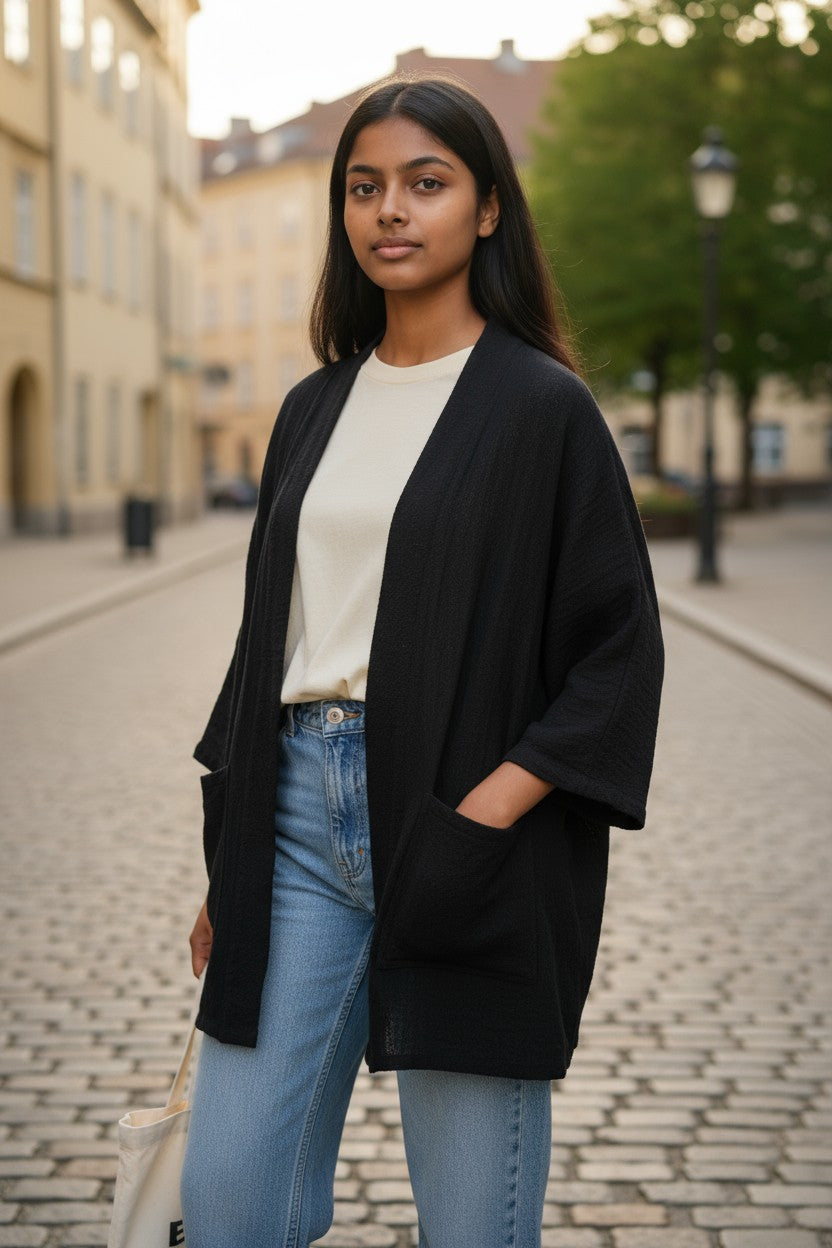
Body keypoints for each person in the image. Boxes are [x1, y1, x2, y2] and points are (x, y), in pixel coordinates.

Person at [180, 73, 664, 1248]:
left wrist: (486, 815)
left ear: (487, 210)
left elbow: (617, 650)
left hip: (464, 826)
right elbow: (271, 641)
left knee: (471, 1224)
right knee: (231, 1197)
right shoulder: (312, 408)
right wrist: (233, 857)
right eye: (365, 187)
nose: (390, 211)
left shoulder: (540, 410)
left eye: (425, 184)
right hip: (296, 822)